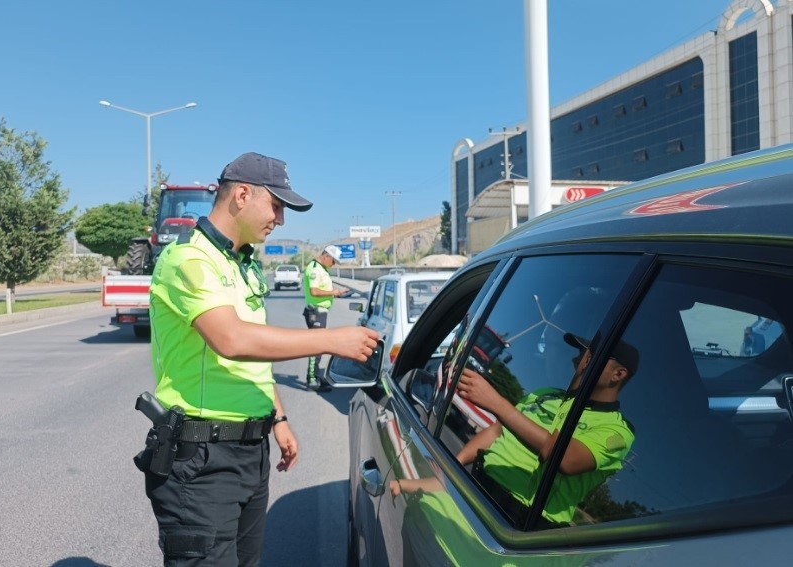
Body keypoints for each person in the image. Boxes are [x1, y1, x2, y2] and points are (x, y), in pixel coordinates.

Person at [140, 151, 379, 566]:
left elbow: (252, 357)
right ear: (242, 195)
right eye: (277, 205)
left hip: (250, 452)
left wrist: (279, 418)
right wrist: (330, 341)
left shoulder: (245, 266)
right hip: (200, 462)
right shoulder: (190, 259)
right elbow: (231, 340)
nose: (281, 219)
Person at [393, 332, 637, 527]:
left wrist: (496, 403)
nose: (578, 360)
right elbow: (497, 432)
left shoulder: (617, 431)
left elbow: (566, 459)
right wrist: (449, 471)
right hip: (477, 491)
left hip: (520, 527)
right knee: (415, 518)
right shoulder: (545, 395)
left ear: (618, 374)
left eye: (592, 356)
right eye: (583, 354)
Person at [302, 245, 349, 392]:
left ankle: (315, 376)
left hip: (321, 312)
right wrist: (334, 292)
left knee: (319, 346)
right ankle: (311, 379)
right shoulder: (315, 268)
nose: (333, 264)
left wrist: (338, 292)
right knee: (315, 347)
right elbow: (314, 291)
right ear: (326, 256)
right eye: (333, 261)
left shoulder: (322, 269)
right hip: (316, 312)